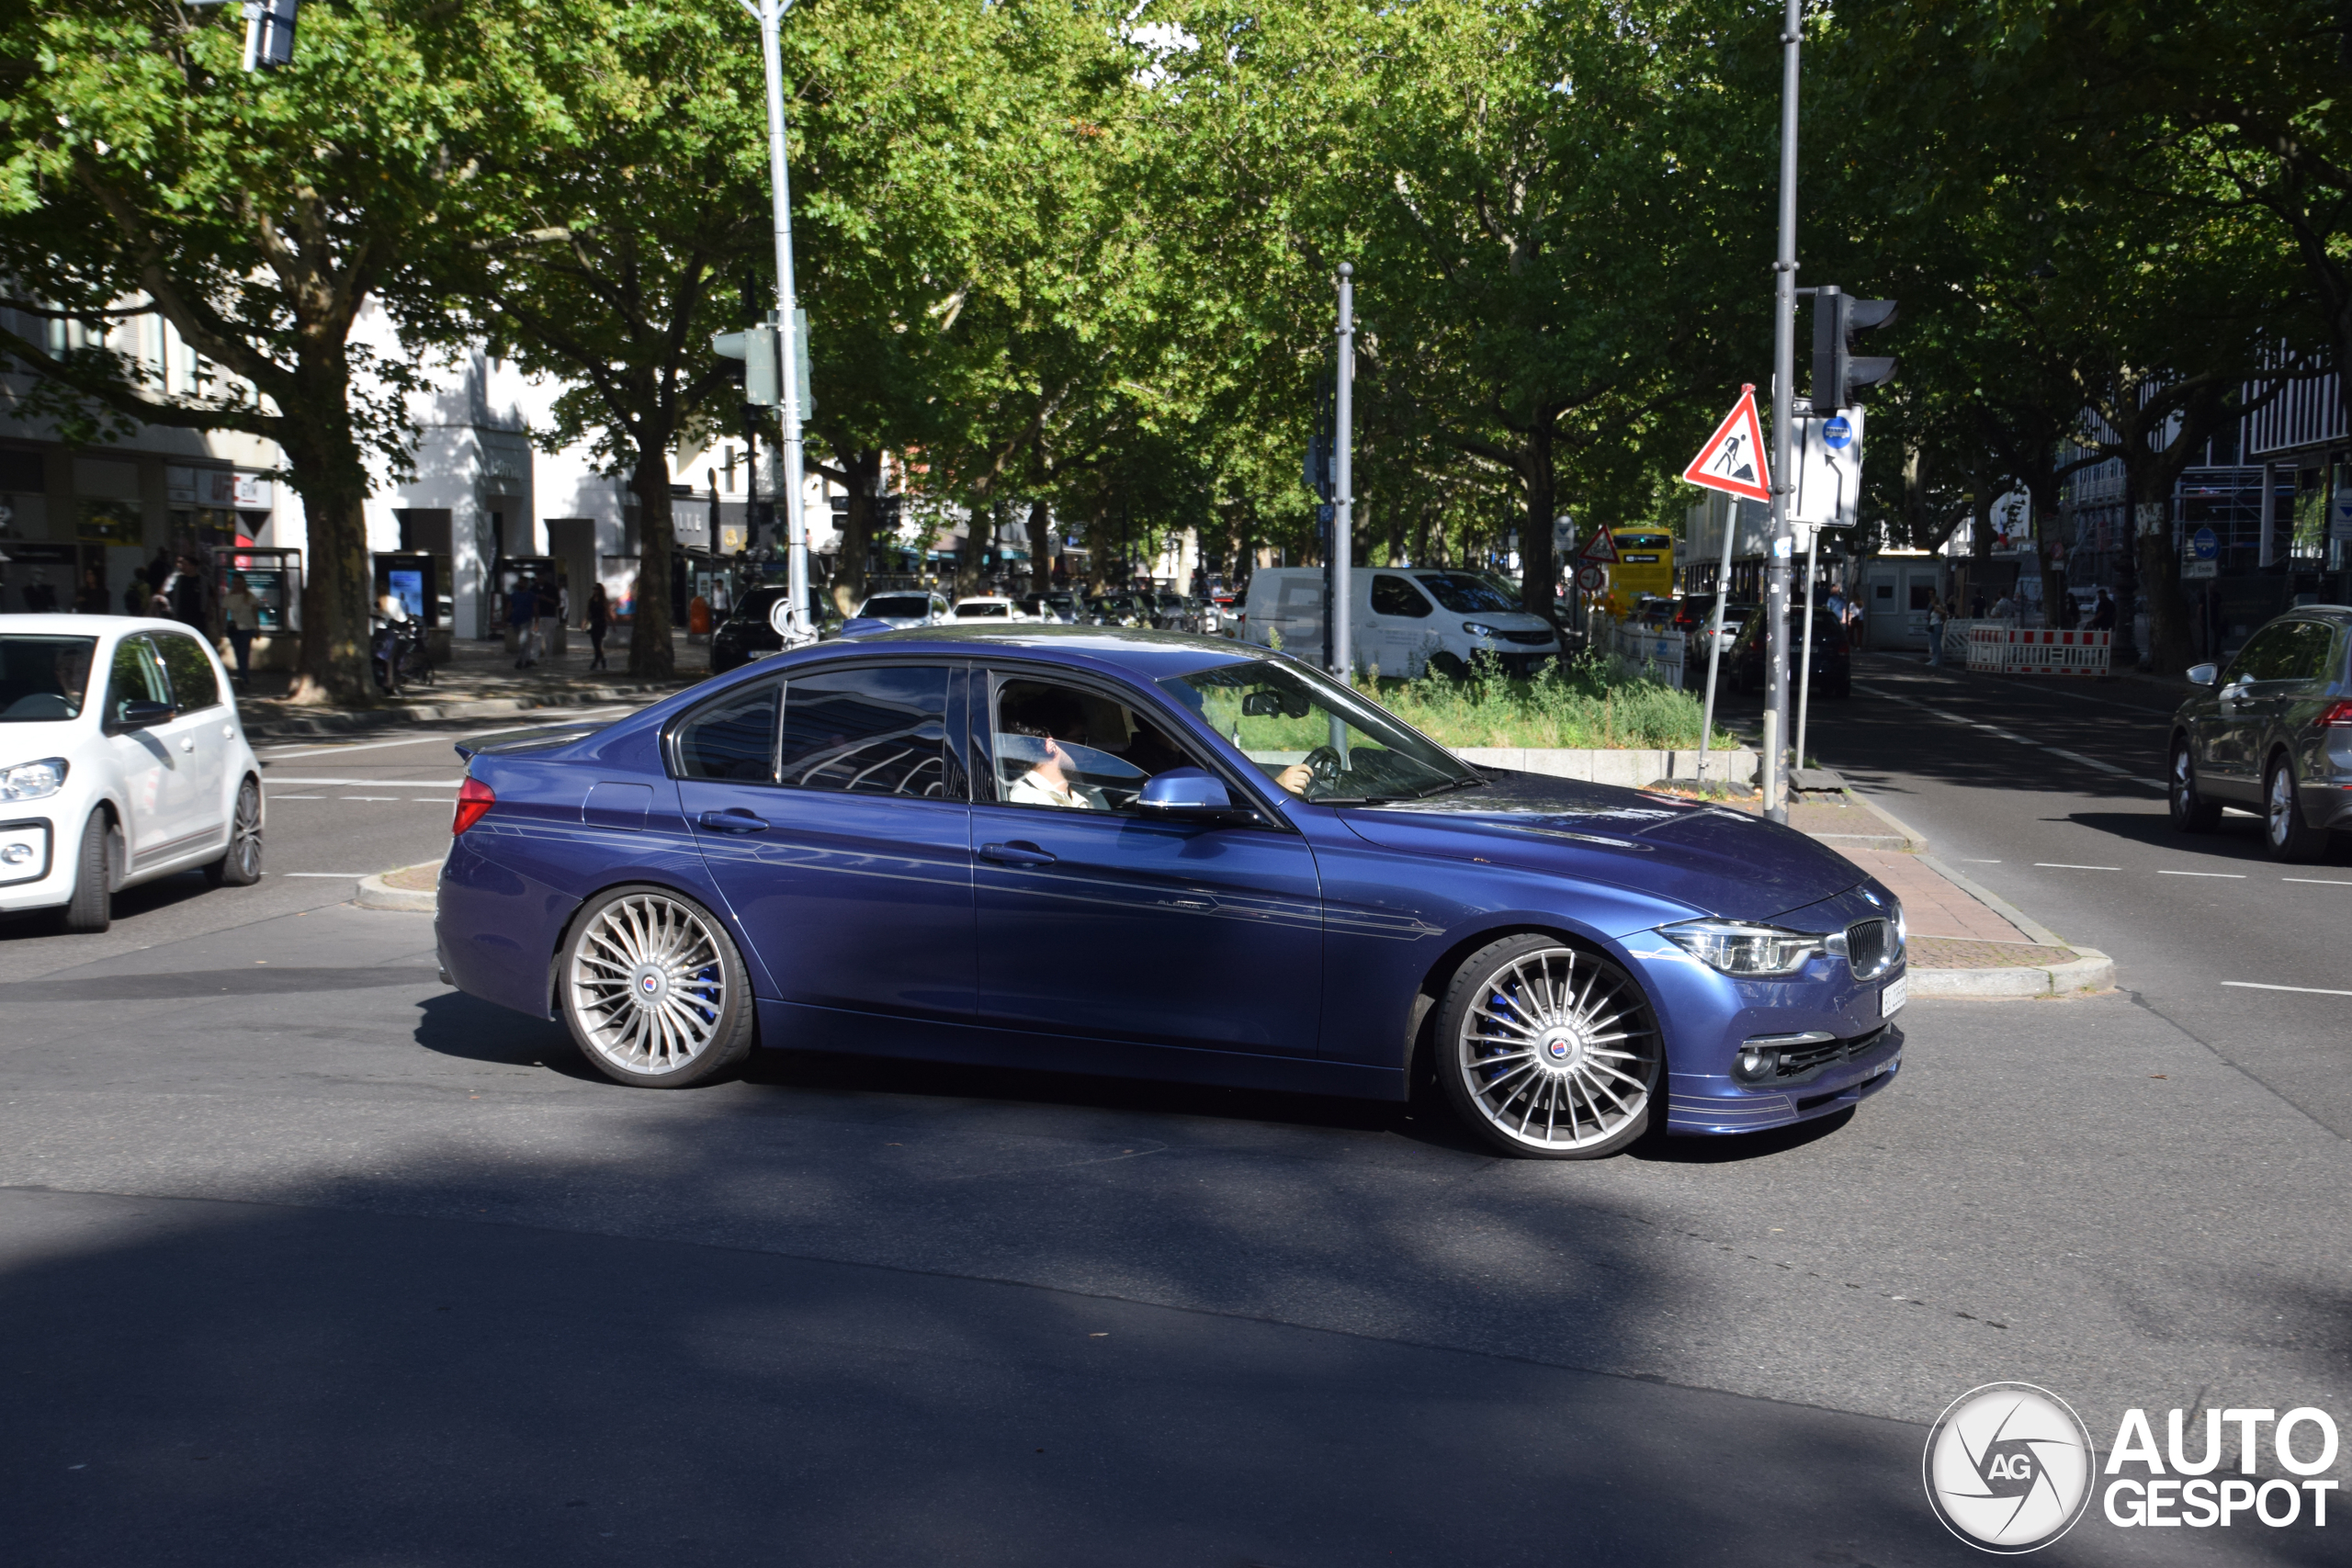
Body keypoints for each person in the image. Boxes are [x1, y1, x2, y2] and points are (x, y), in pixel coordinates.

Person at [222, 572, 261, 684]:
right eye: (234, 583)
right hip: (234, 630)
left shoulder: (250, 597)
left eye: (239, 583)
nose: (237, 585)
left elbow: (255, 613)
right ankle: (242, 675)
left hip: (247, 629)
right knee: (238, 654)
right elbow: (224, 612)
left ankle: (243, 677)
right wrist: (221, 627)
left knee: (244, 653)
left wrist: (257, 627)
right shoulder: (228, 597)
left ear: (243, 584)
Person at [508, 575, 539, 668]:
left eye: (521, 582)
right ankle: (527, 660)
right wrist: (505, 619)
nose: (519, 584)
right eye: (519, 582)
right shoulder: (514, 595)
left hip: (526, 622)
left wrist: (536, 622)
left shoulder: (531, 596)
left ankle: (519, 661)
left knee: (522, 642)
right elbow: (509, 607)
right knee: (524, 643)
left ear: (526, 584)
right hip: (516, 622)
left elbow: (536, 609)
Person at [585, 581, 610, 671]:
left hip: (601, 624)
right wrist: (585, 622)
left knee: (598, 643)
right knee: (596, 644)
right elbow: (588, 612)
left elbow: (607, 613)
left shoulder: (603, 601)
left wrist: (612, 624)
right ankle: (602, 659)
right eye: (594, 589)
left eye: (597, 589)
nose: (595, 590)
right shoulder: (591, 600)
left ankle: (595, 662)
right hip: (594, 624)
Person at [1926, 593, 1947, 667]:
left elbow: (1943, 612)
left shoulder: (1937, 607)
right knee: (1934, 644)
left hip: (1936, 626)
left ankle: (1937, 660)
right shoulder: (1935, 608)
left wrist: (1941, 620)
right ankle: (1934, 659)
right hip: (1933, 625)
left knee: (1936, 644)